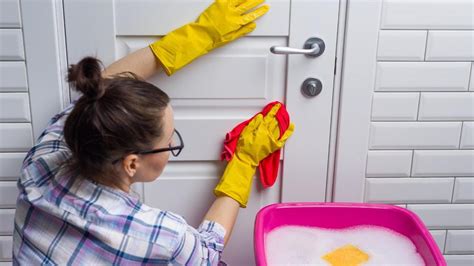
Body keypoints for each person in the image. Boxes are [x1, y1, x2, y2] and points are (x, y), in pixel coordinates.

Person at [12, 0, 294, 264]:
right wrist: (243, 162)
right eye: (169, 142)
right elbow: (207, 253)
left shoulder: (41, 164)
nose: (172, 143)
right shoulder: (157, 234)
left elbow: (103, 89)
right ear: (132, 163)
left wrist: (198, 36)